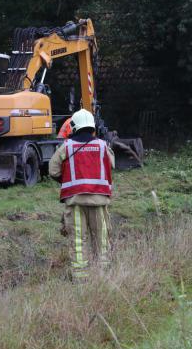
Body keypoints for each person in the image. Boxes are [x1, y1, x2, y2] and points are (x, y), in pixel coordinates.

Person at [49, 109, 115, 281]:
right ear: (92, 126)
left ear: (73, 127)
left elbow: (53, 170)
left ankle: (80, 279)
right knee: (101, 240)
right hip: (99, 200)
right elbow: (112, 164)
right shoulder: (102, 145)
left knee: (78, 240)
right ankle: (103, 276)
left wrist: (67, 179)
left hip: (75, 201)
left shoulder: (67, 146)